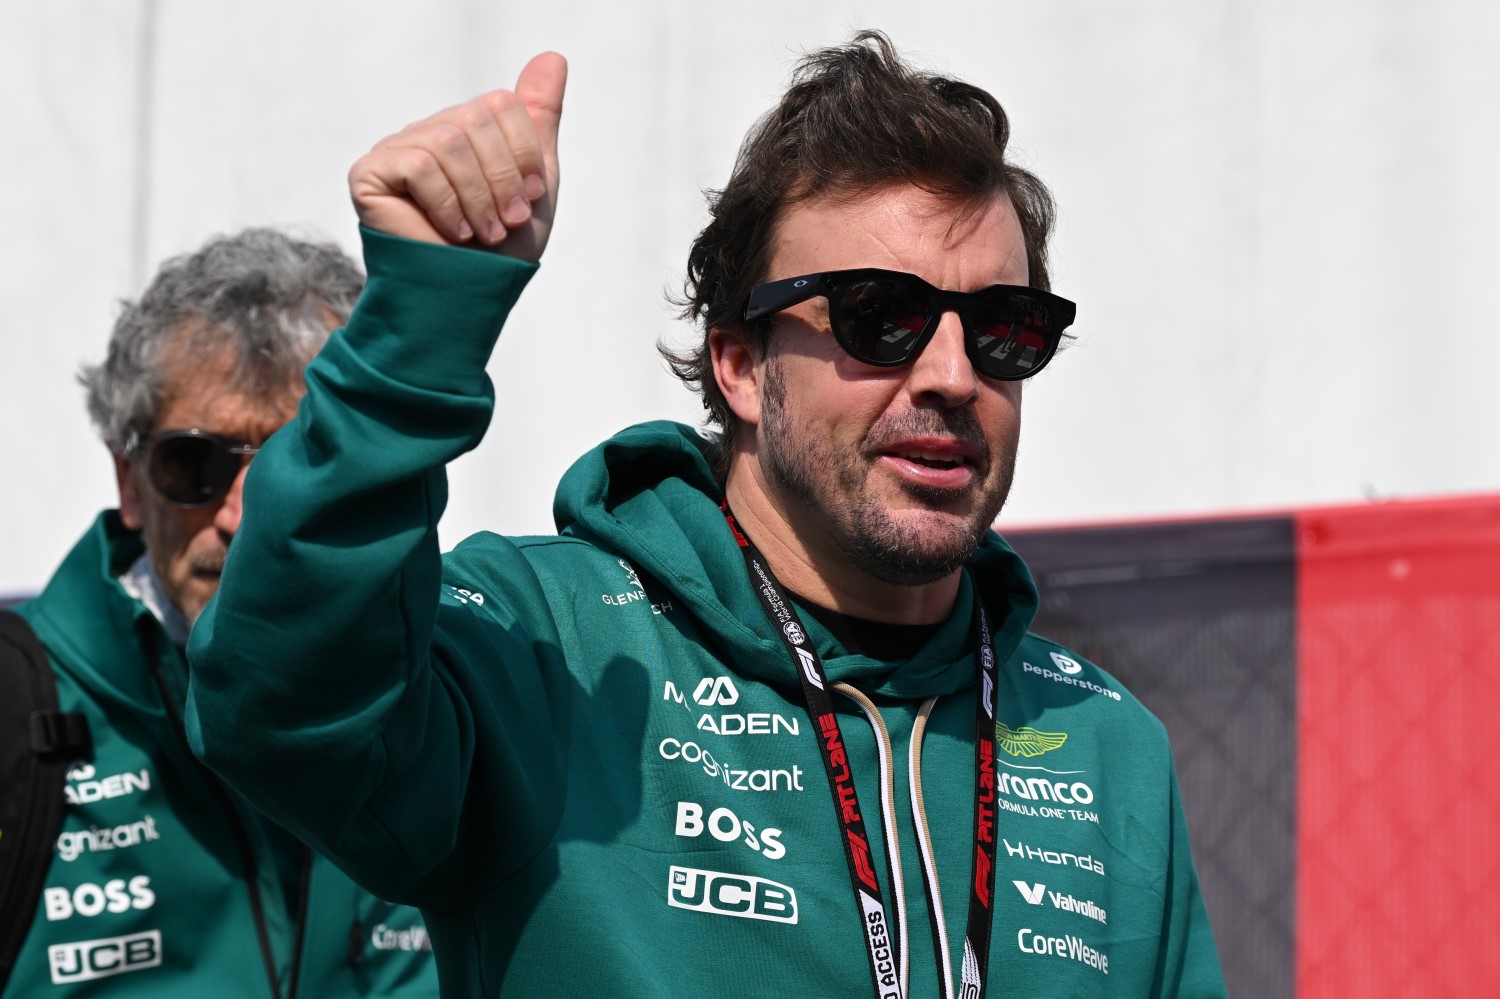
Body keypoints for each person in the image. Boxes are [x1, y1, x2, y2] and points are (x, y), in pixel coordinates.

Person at [188, 34, 1227, 998]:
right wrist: (417, 330)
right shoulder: (544, 646)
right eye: (882, 317)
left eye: (1004, 329)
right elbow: (277, 710)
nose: (954, 375)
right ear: (738, 364)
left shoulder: (1106, 742)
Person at [4, 230, 439, 997]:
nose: (242, 515)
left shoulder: (466, 689)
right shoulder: (17, 707)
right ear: (129, 481)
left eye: (298, 463)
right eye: (194, 463)